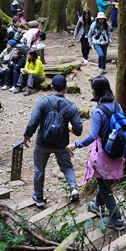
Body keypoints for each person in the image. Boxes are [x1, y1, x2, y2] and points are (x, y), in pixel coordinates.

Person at [68, 76, 126, 229]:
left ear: (97, 90)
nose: (91, 90)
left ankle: (116, 219)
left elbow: (93, 136)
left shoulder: (98, 112)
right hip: (117, 151)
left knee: (105, 186)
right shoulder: (118, 106)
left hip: (103, 154)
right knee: (104, 180)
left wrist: (76, 144)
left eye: (92, 88)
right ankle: (98, 205)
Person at [23, 74, 83, 208]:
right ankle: (73, 187)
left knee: (39, 169)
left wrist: (27, 135)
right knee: (67, 167)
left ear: (51, 86)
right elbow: (78, 129)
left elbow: (33, 121)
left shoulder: (43, 102)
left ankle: (38, 197)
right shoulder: (71, 106)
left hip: (42, 142)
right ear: (66, 88)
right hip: (62, 143)